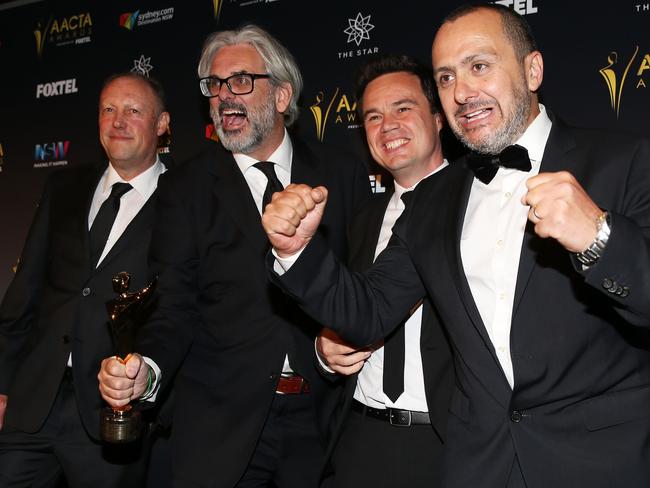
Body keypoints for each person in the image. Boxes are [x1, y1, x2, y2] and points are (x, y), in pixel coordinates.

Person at [261, 4, 650, 488]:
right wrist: (296, 251)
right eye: (446, 78)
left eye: (479, 66)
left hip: (598, 465)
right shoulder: (434, 200)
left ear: (533, 70)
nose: (463, 93)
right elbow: (369, 310)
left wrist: (600, 239)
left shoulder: (623, 161)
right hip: (478, 466)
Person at [97, 24, 370, 488]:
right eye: (214, 85)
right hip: (220, 432)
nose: (224, 96)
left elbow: (363, 284)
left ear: (282, 96)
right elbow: (173, 307)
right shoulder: (185, 188)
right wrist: (149, 371)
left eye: (240, 80)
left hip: (324, 425)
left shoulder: (341, 172)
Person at [0, 71, 170, 487]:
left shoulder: (184, 198)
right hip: (32, 400)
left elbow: (180, 310)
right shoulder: (65, 184)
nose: (118, 121)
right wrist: (2, 383)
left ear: (162, 123)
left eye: (133, 110)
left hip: (113, 414)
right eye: (108, 110)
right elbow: (26, 291)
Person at [316, 54, 453, 488]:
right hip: (358, 437)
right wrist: (324, 347)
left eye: (403, 108)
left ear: (440, 118)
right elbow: (342, 306)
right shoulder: (361, 219)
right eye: (373, 116)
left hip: (446, 443)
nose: (387, 125)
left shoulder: (479, 205)